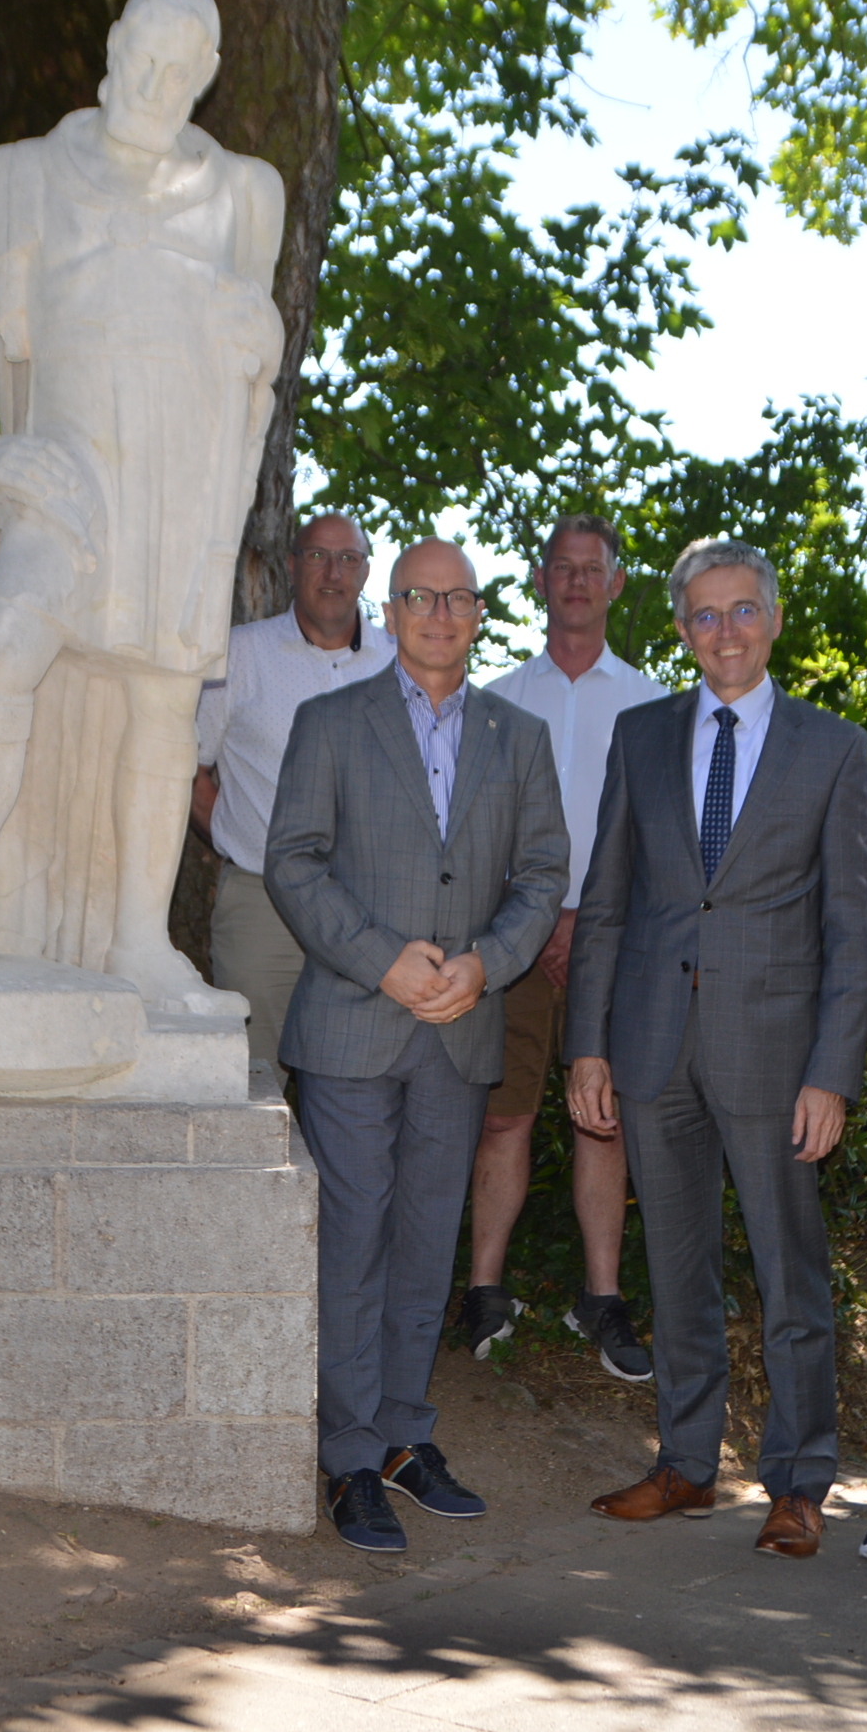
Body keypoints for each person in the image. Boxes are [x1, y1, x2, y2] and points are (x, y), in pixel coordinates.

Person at [0, 0, 280, 1015]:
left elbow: (255, 339)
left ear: (205, 81)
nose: (153, 82)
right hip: (65, 469)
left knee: (162, 703)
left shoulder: (245, 193)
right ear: (111, 44)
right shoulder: (13, 179)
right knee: (7, 648)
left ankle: (137, 946)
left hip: (181, 485)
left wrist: (263, 340)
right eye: (142, 54)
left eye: (179, 69)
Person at [568, 538, 867, 1561]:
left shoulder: (829, 746)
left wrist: (832, 1069)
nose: (724, 631)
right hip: (653, 1046)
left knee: (791, 1274)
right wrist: (587, 1044)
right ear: (680, 628)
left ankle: (796, 1482)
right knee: (678, 1265)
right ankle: (686, 1464)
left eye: (742, 609)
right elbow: (606, 901)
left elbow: (848, 924)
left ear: (774, 617)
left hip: (777, 1057)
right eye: (703, 614)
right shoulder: (639, 734)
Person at [263, 539, 568, 1553]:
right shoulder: (328, 723)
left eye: (457, 596)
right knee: (352, 1242)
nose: (438, 610)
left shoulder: (518, 736)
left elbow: (540, 873)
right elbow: (293, 864)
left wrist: (483, 963)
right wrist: (382, 961)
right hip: (354, 1020)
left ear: (480, 614)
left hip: (461, 1025)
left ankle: (403, 1436)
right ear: (388, 612)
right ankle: (347, 1454)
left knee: (424, 1244)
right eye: (418, 595)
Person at [467, 514, 669, 1376]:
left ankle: (602, 1298)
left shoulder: (657, 703)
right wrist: (543, 916)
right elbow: (475, 830)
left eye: (594, 570)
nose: (579, 582)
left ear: (617, 584)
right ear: (540, 583)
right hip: (515, 937)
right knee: (503, 1114)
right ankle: (482, 1290)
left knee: (604, 1119)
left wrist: (590, 919)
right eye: (563, 569)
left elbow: (664, 836)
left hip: (618, 941)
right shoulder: (500, 698)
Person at [193, 513, 395, 1072]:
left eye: (348, 558)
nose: (333, 572)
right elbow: (190, 770)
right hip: (263, 908)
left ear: (366, 571)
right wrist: (236, 834)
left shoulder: (397, 665)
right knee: (256, 1082)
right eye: (317, 556)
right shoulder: (236, 656)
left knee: (361, 1085)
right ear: (290, 566)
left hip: (372, 911)